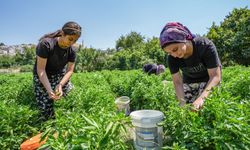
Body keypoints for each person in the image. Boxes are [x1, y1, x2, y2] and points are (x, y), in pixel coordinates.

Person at [159, 22, 221, 110]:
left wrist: (201, 98)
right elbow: (177, 82)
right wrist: (182, 103)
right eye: (169, 53)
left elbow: (215, 76)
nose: (174, 55)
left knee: (206, 107)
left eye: (175, 49)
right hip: (189, 83)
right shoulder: (171, 58)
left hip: (208, 81)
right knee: (186, 108)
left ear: (183, 39)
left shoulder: (205, 46)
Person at [33, 21, 82, 121]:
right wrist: (49, 90)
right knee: (46, 108)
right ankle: (48, 125)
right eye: (70, 39)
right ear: (63, 34)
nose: (72, 43)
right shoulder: (46, 44)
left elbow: (70, 70)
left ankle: (66, 121)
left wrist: (60, 85)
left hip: (59, 75)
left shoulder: (71, 50)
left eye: (75, 41)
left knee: (71, 96)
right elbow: (41, 69)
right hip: (43, 76)